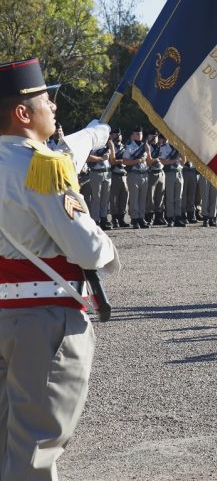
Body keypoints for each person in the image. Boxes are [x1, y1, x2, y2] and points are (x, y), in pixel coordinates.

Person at [0, 57, 120, 479]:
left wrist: (90, 138)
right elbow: (88, 251)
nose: (53, 104)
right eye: (44, 98)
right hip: (44, 321)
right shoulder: (42, 166)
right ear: (22, 112)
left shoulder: (40, 162)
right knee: (34, 453)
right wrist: (105, 244)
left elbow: (69, 151)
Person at [122, 126, 152, 229]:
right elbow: (125, 161)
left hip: (144, 173)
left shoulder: (145, 146)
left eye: (141, 134)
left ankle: (141, 217)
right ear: (133, 135)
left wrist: (148, 152)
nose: (139, 135)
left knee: (143, 197)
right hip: (134, 174)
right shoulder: (130, 146)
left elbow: (150, 162)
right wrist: (136, 161)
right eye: (137, 134)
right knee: (134, 197)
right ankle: (134, 219)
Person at [85, 134, 114, 229]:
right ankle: (95, 219)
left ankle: (104, 218)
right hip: (96, 173)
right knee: (96, 197)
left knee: (105, 198)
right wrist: (102, 158)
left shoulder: (107, 146)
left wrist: (112, 148)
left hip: (107, 172)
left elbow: (113, 160)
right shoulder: (94, 145)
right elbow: (88, 158)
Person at [158, 138, 186, 227]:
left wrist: (183, 153)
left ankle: (178, 217)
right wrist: (174, 160)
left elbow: (183, 162)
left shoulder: (179, 147)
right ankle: (170, 218)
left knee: (179, 197)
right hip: (169, 173)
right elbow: (162, 161)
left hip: (179, 172)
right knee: (170, 196)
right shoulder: (164, 147)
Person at [108, 129, 130, 228]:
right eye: (115, 134)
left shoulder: (125, 147)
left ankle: (122, 217)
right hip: (114, 174)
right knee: (114, 198)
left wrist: (122, 161)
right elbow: (112, 161)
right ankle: (115, 218)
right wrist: (122, 160)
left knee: (124, 196)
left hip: (124, 174)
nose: (117, 136)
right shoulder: (109, 147)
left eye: (119, 134)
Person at [146, 132, 166, 226]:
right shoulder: (147, 147)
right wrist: (156, 159)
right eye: (152, 136)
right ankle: (149, 217)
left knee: (160, 196)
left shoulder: (162, 147)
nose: (154, 138)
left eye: (156, 136)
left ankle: (159, 216)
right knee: (150, 197)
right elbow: (149, 162)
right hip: (151, 173)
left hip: (161, 172)